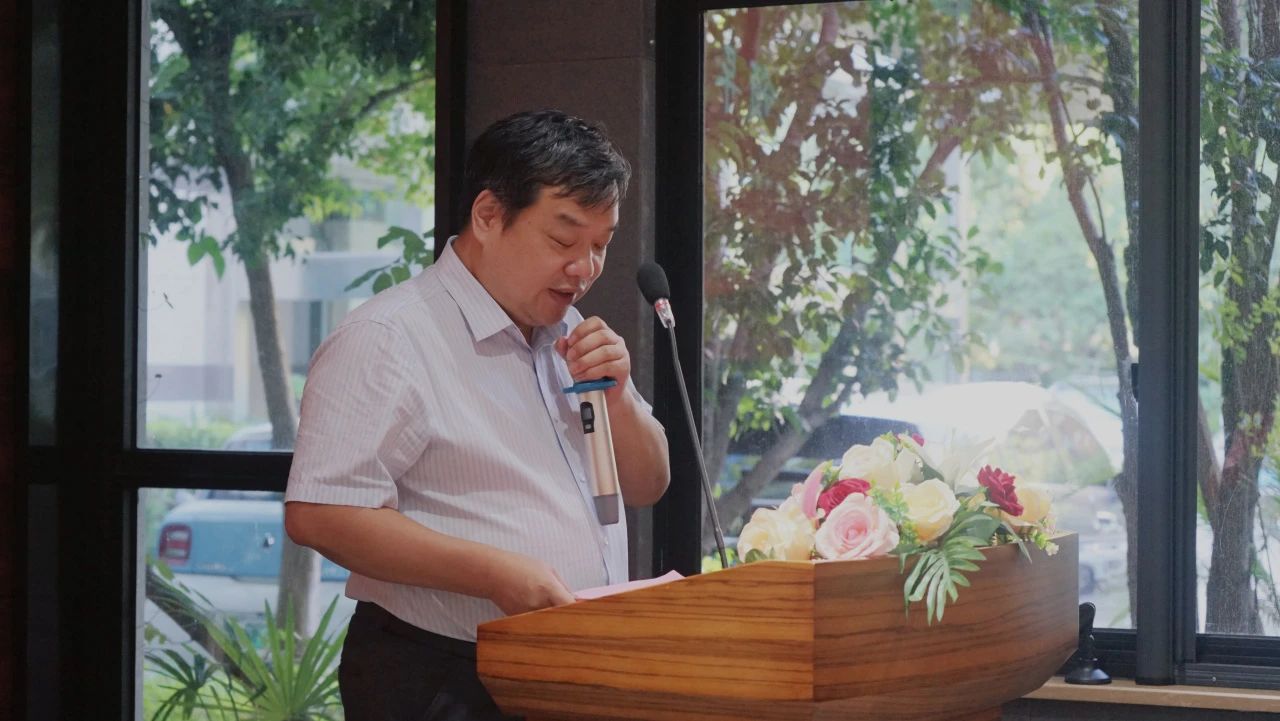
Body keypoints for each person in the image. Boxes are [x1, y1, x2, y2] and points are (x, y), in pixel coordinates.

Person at [284, 109, 671, 721]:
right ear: (489, 215)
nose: (585, 268)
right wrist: (493, 573)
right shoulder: (389, 337)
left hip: (569, 663)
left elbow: (649, 484)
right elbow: (320, 513)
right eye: (564, 241)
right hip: (442, 672)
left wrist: (618, 397)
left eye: (601, 245)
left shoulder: (568, 331)